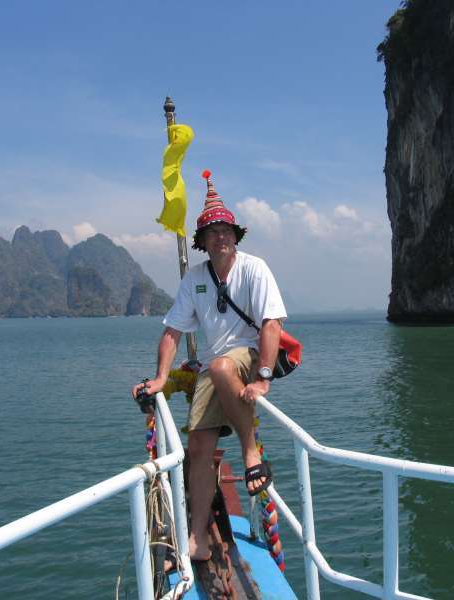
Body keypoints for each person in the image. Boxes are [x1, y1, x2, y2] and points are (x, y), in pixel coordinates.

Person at [132, 170, 286, 561]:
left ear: (236, 236)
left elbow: (271, 324)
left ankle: (251, 454)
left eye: (226, 230)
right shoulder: (195, 279)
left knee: (219, 367)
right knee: (198, 447)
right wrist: (161, 378)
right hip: (216, 364)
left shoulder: (254, 268)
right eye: (213, 232)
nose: (221, 237)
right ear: (202, 242)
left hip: (249, 355)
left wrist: (263, 378)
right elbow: (172, 330)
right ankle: (197, 538)